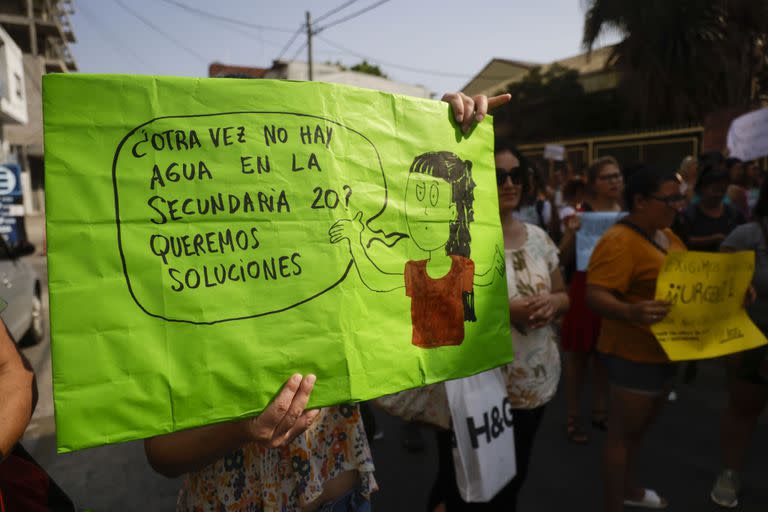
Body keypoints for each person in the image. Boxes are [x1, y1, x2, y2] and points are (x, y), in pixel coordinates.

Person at [145, 91, 512, 512]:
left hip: (345, 497)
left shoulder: (335, 264)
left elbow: (400, 228)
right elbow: (161, 454)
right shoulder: (185, 288)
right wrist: (240, 429)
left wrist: (442, 123)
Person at [428, 137, 569, 511]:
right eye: (499, 174)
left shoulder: (539, 237)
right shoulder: (458, 238)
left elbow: (564, 294)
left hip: (532, 384)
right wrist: (510, 311)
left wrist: (551, 303)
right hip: (475, 387)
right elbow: (440, 310)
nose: (509, 183)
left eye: (516, 175)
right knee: (461, 483)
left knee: (511, 477)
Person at [586, 165, 687, 511]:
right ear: (641, 201)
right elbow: (595, 294)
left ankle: (629, 489)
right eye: (670, 199)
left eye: (680, 198)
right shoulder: (619, 241)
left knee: (637, 433)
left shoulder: (668, 236)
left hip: (663, 351)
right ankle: (614, 502)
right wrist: (630, 312)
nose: (678, 205)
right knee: (622, 436)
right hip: (632, 354)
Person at [710, 177, 768, 508]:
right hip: (752, 339)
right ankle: (730, 472)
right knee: (743, 409)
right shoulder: (748, 235)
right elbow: (718, 282)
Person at [558, 156, 623, 443]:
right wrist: (571, 234)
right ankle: (573, 414)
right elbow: (560, 258)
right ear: (594, 184)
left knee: (604, 354)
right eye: (607, 177)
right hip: (585, 287)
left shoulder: (627, 213)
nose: (615, 181)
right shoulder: (580, 213)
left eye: (617, 176)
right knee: (578, 356)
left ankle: (600, 409)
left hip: (615, 286)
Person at [684, 163, 746, 252]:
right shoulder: (689, 215)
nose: (719, 194)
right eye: (715, 190)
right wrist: (711, 239)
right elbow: (681, 240)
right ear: (702, 188)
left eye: (723, 190)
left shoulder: (734, 213)